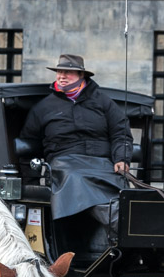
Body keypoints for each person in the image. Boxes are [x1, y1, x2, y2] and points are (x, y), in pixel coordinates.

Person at [19, 54, 133, 256]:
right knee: (76, 178)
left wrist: (122, 159)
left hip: (103, 164)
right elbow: (29, 144)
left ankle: (121, 228)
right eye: (59, 72)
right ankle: (119, 223)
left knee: (121, 185)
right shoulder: (43, 107)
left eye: (68, 72)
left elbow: (121, 133)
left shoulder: (104, 102)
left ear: (81, 75)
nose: (62, 76)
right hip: (65, 164)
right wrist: (30, 180)